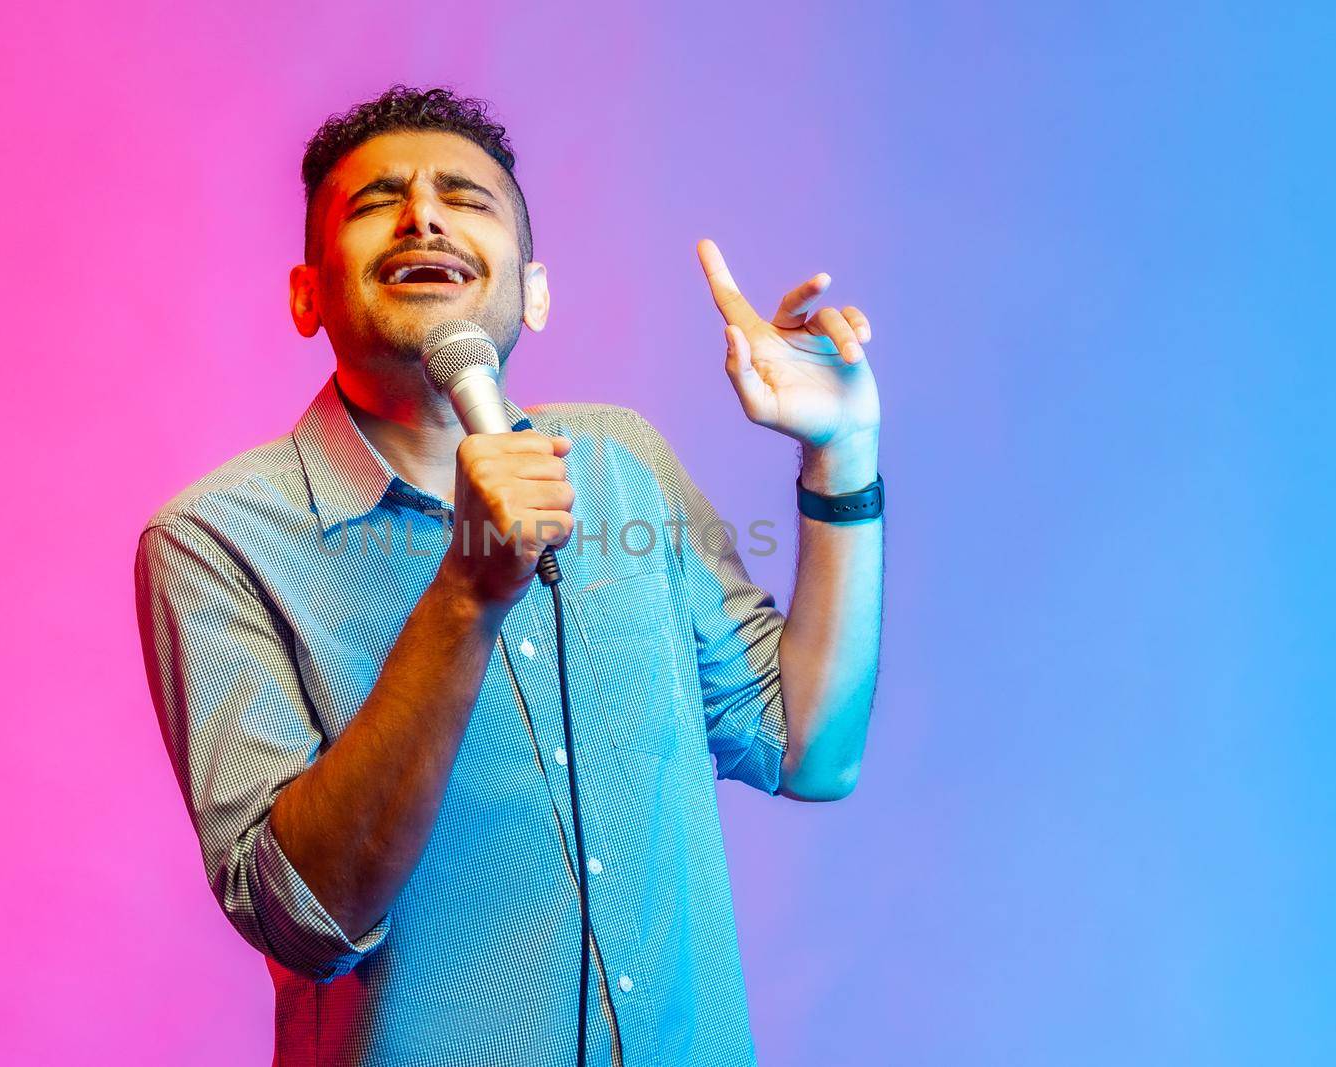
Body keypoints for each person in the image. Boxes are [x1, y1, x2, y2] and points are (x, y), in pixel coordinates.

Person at [133, 84, 884, 1066]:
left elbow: (808, 750)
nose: (424, 215)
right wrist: (464, 596)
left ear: (533, 291)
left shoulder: (623, 464)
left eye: (464, 197)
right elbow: (304, 919)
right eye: (375, 203)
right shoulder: (216, 538)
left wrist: (843, 455)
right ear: (306, 295)